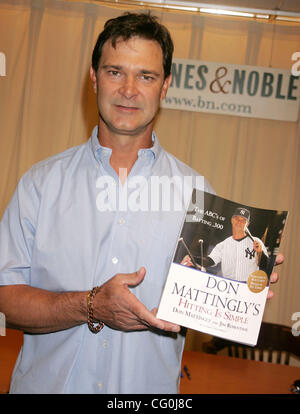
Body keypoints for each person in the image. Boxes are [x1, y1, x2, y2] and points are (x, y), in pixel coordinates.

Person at [0, 12, 282, 394]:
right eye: (115, 72)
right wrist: (91, 305)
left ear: (165, 86)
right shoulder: (40, 184)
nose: (129, 89)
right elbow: (7, 296)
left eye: (146, 76)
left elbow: (204, 305)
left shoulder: (197, 196)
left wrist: (240, 294)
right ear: (94, 77)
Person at [182, 207, 270, 282]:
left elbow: (266, 267)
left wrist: (260, 252)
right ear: (232, 220)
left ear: (248, 224)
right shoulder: (223, 244)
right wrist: (192, 258)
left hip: (248, 286)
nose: (239, 222)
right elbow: (209, 261)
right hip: (228, 285)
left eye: (243, 220)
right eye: (237, 218)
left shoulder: (256, 242)